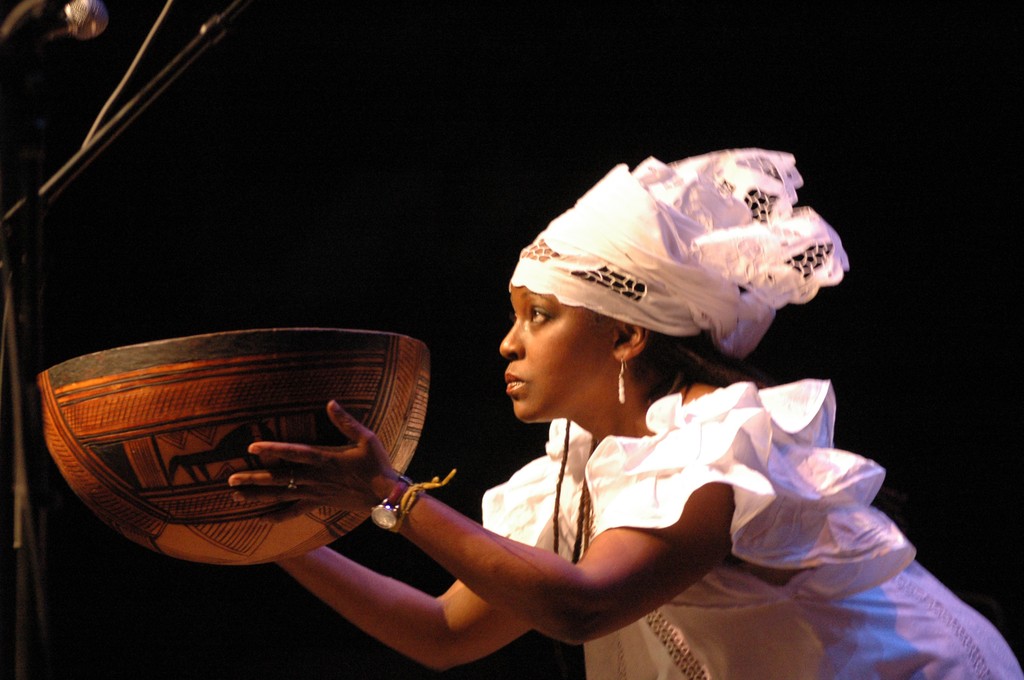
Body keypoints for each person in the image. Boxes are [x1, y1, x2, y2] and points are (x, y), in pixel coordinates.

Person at [227, 149, 1023, 679]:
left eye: (539, 315)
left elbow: (584, 604)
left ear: (625, 331)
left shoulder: (719, 437)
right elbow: (445, 633)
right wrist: (274, 539)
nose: (508, 344)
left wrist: (390, 496)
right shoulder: (582, 467)